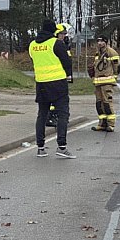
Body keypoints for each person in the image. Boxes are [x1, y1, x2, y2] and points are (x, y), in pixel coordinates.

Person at [29, 20, 75, 158]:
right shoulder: (56, 43)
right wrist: (68, 75)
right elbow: (67, 61)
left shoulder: (32, 45)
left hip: (41, 83)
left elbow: (34, 60)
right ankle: (61, 147)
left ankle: (41, 148)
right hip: (58, 84)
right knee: (62, 115)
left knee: (42, 115)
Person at [90, 36, 120, 132]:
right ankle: (102, 123)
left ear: (105, 42)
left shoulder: (111, 52)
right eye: (98, 41)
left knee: (107, 103)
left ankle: (111, 124)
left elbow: (117, 65)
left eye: (102, 41)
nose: (99, 43)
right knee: (99, 104)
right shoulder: (97, 53)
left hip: (107, 82)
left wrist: (114, 77)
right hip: (98, 82)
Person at [46, 23, 73, 128]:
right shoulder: (54, 45)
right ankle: (51, 117)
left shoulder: (62, 45)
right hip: (55, 77)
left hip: (61, 76)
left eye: (65, 34)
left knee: (60, 99)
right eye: (62, 34)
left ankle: (60, 117)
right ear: (56, 34)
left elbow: (68, 60)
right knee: (54, 99)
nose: (64, 36)